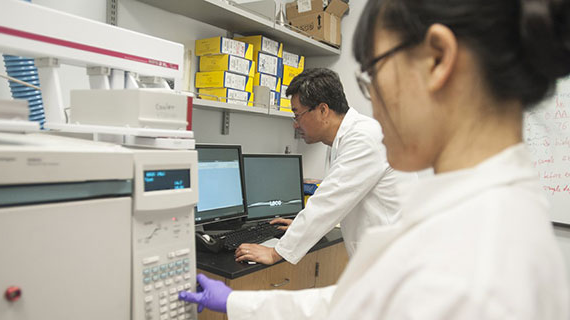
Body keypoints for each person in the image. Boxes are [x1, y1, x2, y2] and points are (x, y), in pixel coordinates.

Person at [180, 0, 570, 318]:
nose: (375, 108)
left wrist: (278, 251)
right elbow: (363, 301)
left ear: (438, 59)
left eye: (374, 76)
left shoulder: (475, 258)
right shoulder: (482, 211)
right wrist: (235, 302)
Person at [235, 68, 414, 265]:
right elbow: (337, 201)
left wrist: (275, 253)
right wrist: (299, 226)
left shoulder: (364, 139)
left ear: (322, 110)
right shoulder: (343, 140)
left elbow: (328, 202)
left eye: (297, 114)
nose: (295, 124)